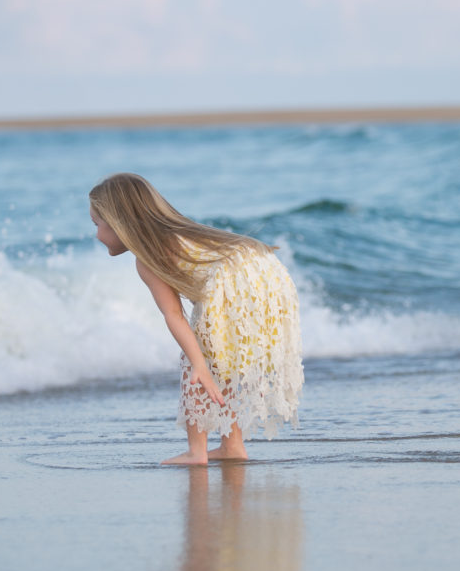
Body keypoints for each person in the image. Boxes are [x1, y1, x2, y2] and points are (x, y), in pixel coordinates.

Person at [88, 173, 304, 465]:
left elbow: (173, 314)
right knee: (223, 359)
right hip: (267, 271)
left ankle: (196, 451)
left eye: (97, 225)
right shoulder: (185, 232)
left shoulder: (147, 258)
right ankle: (232, 446)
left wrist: (198, 363)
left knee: (197, 361)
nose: (97, 234)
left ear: (118, 223)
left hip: (233, 280)